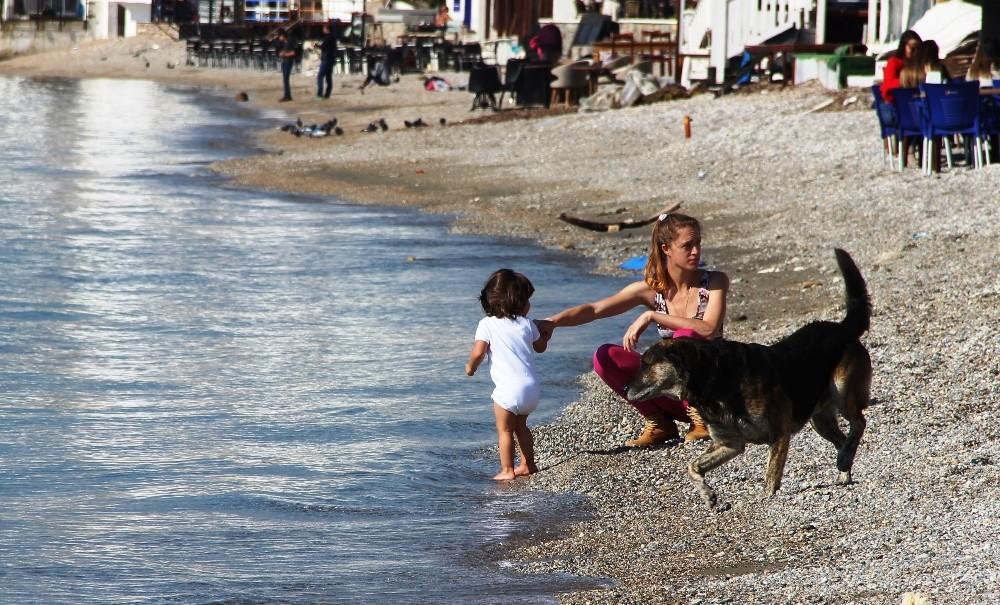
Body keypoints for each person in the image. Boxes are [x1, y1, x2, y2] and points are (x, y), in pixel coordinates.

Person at [541, 213, 729, 447]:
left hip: (717, 397)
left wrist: (651, 315)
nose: (696, 251)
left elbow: (708, 329)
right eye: (687, 246)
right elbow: (595, 309)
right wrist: (552, 322)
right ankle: (660, 423)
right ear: (666, 249)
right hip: (676, 399)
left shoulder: (715, 282)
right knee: (605, 357)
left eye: (698, 243)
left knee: (684, 338)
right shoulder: (651, 290)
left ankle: (702, 420)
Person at [466, 269, 550, 480]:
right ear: (515, 302)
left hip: (508, 391)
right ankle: (528, 465)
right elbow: (540, 348)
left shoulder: (487, 324)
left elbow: (478, 352)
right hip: (532, 390)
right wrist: (544, 335)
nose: (529, 306)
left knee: (504, 430)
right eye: (526, 301)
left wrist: (471, 367)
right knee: (521, 426)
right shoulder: (528, 324)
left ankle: (507, 470)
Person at [880, 30, 921, 104]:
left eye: (917, 48)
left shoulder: (918, 64)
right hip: (895, 102)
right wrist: (907, 80)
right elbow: (888, 84)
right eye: (912, 47)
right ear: (903, 46)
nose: (915, 51)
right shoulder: (894, 62)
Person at [316, 21, 338, 100]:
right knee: (328, 77)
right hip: (331, 59)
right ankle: (327, 94)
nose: (323, 30)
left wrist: (316, 45)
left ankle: (320, 94)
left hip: (327, 59)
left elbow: (323, 47)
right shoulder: (333, 37)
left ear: (326, 29)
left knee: (320, 76)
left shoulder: (328, 37)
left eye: (323, 28)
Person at [276, 29, 297, 102]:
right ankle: (287, 95)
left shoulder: (289, 42)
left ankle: (287, 96)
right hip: (285, 61)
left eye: (280, 36)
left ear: (283, 36)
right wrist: (282, 53)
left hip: (288, 62)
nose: (279, 38)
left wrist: (284, 54)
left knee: (286, 79)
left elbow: (293, 53)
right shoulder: (285, 42)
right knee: (285, 79)